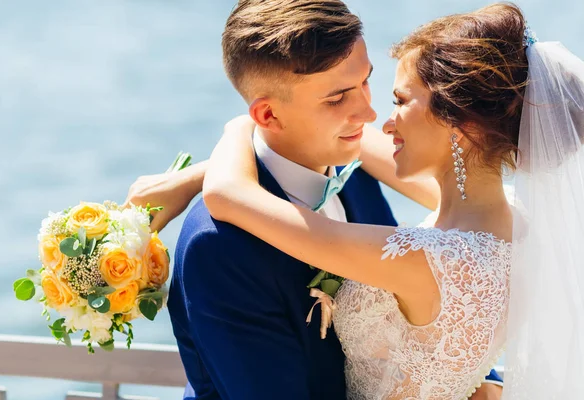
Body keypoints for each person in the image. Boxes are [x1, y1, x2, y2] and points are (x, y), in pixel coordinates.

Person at [125, 1, 503, 399]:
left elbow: (439, 313)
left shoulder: (355, 175)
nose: (369, 112)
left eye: (365, 82)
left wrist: (481, 381)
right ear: (268, 115)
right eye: (337, 98)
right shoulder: (218, 243)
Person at [200, 3, 559, 399]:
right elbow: (350, 143)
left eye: (401, 102)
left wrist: (241, 125)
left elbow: (225, 194)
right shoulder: (522, 219)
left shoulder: (432, 260)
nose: (378, 118)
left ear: (461, 123)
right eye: (343, 96)